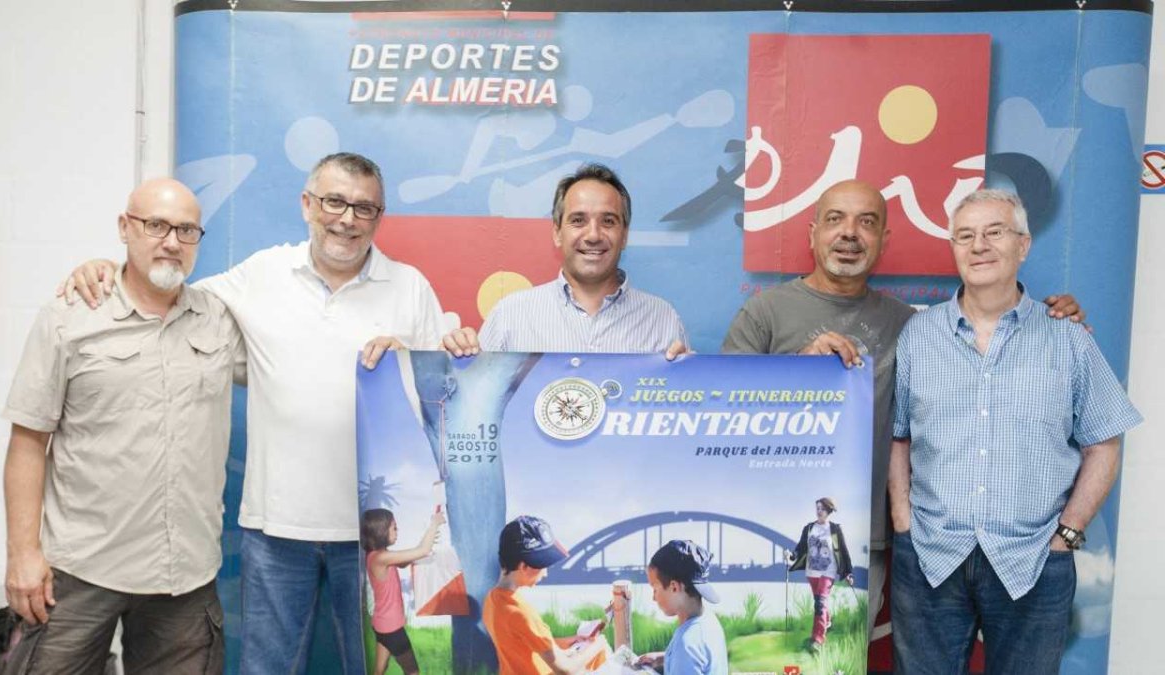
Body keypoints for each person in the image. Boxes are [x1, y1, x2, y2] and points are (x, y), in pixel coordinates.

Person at [61, 153, 446, 674]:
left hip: (371, 535)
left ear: (379, 218)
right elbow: (168, 288)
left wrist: (411, 360)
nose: (347, 219)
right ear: (307, 205)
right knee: (268, 668)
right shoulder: (263, 273)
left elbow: (443, 398)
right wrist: (110, 267)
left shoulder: (412, 287)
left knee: (380, 670)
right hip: (276, 529)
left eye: (364, 208)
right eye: (334, 201)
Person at [719, 179, 1085, 642]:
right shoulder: (764, 313)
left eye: (866, 222)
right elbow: (721, 408)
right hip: (764, 522)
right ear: (812, 233)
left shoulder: (912, 327)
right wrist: (796, 372)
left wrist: (1057, 317)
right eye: (835, 219)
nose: (849, 233)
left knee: (830, 659)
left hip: (863, 538)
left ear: (884, 241)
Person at [887, 189, 1142, 675]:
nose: (978, 245)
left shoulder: (1067, 336)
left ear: (1023, 246)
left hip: (1035, 558)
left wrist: (1067, 534)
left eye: (994, 232)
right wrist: (903, 521)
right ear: (954, 249)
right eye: (965, 236)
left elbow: (1104, 442)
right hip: (929, 555)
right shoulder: (919, 336)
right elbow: (899, 436)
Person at [1, 179, 243, 673]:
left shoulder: (218, 320)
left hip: (185, 578)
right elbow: (28, 440)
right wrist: (23, 553)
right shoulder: (70, 318)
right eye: (155, 225)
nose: (171, 241)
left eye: (186, 230)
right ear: (124, 228)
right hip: (80, 572)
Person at [442, 163, 686, 357]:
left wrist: (689, 380)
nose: (593, 235)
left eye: (608, 221)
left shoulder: (662, 319)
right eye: (578, 220)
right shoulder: (511, 316)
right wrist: (457, 361)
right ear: (557, 233)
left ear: (624, 235)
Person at [483, 515, 610, 674]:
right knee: (601, 654)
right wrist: (598, 645)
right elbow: (566, 670)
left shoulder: (493, 600)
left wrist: (569, 642)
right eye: (543, 566)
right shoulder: (521, 613)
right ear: (524, 566)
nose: (545, 574)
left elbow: (525, 644)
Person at [360, 508, 447, 675]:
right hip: (392, 629)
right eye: (394, 527)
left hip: (381, 625)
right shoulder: (381, 558)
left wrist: (426, 544)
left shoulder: (376, 556)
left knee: (379, 670)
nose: (397, 531)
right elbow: (422, 550)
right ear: (381, 531)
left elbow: (407, 559)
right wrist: (434, 523)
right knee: (412, 672)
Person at [638, 539, 728, 675]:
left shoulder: (686, 644)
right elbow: (698, 658)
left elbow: (689, 653)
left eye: (655, 589)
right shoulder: (708, 620)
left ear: (674, 587)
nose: (654, 597)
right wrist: (664, 658)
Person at [788, 497, 854, 653]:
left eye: (822, 509)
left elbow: (843, 551)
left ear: (828, 511)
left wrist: (848, 572)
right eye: (817, 508)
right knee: (820, 603)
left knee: (819, 603)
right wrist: (791, 555)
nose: (819, 511)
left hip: (828, 571)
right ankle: (827, 621)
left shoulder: (835, 529)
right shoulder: (809, 528)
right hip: (812, 572)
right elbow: (801, 546)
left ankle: (817, 640)